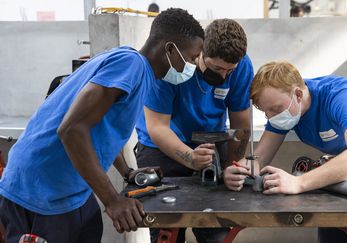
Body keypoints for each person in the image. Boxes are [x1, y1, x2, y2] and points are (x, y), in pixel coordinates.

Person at [0, 8, 204, 243]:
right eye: (191, 57)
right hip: (39, 191)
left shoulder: (140, 74)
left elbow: (102, 127)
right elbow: (71, 129)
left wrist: (127, 172)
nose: (194, 65)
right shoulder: (131, 64)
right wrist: (113, 200)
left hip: (73, 191)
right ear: (170, 49)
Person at [224, 61, 347, 243]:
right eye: (266, 112)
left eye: (275, 110)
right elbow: (259, 157)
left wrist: (298, 182)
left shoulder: (342, 98)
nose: (271, 117)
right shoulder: (287, 109)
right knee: (331, 225)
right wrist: (239, 170)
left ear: (298, 95)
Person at [135, 19, 253, 242]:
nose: (223, 76)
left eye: (230, 70)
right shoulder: (171, 65)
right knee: (167, 229)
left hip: (211, 140)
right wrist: (189, 158)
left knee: (216, 229)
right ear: (199, 52)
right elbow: (157, 127)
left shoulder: (241, 66)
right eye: (216, 68)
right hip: (161, 145)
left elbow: (241, 124)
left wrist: (232, 167)